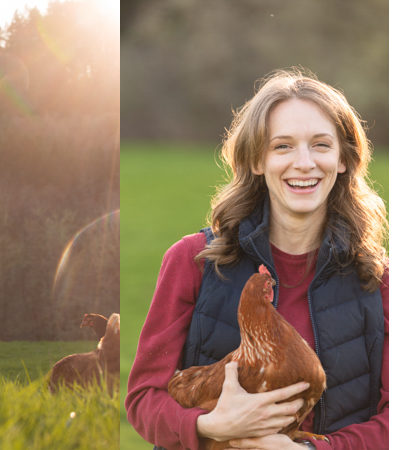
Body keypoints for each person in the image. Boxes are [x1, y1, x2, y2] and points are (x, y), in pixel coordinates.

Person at [126, 69, 388, 449]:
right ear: (256, 161)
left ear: (344, 159)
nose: (303, 163)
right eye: (282, 146)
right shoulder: (192, 261)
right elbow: (143, 399)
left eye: (320, 145)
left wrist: (312, 449)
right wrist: (211, 425)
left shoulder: (378, 279)